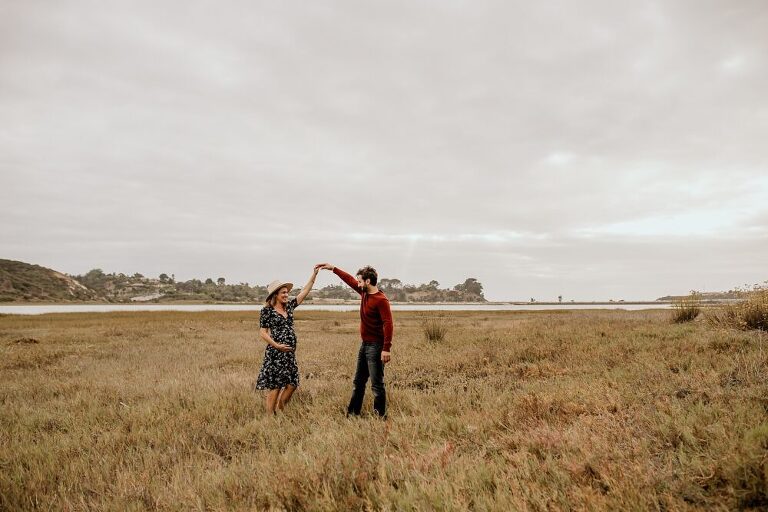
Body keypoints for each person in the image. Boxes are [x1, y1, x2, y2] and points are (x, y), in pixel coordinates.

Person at [315, 263, 393, 418]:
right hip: (364, 345)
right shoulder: (364, 293)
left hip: (376, 347)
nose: (357, 284)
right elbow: (349, 280)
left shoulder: (380, 300)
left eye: (360, 281)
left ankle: (380, 417)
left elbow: (388, 323)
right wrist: (333, 269)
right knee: (358, 382)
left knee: (377, 385)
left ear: (368, 282)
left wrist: (386, 348)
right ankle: (352, 414)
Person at [255, 267, 318, 414]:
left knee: (292, 383)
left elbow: (305, 291)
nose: (286, 295)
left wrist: (314, 274)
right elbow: (263, 333)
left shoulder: (289, 307)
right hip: (275, 353)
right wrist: (277, 345)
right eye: (283, 292)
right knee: (275, 386)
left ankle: (280, 409)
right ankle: (271, 417)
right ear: (275, 295)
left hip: (289, 354)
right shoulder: (267, 311)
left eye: (287, 292)